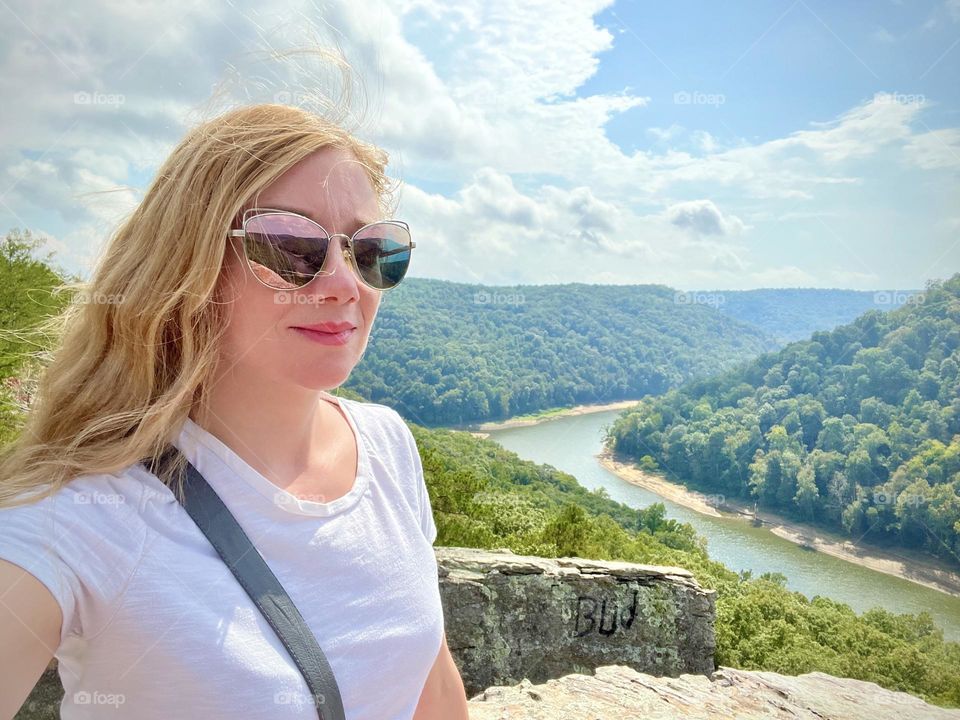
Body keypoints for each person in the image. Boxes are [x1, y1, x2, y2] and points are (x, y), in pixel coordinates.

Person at [0, 103, 469, 719]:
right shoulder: (83, 512)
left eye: (371, 250)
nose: (342, 283)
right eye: (289, 247)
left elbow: (430, 690)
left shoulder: (386, 446)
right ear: (187, 265)